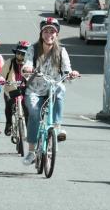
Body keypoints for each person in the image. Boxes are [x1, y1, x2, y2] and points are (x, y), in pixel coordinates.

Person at [22, 17, 80, 165]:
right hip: (34, 90)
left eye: (52, 31)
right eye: (46, 31)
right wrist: (27, 69)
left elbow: (67, 70)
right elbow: (27, 63)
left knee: (61, 87)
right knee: (34, 114)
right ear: (41, 33)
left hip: (52, 88)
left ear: (57, 34)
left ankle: (57, 127)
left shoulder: (61, 51)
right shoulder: (33, 49)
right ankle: (31, 152)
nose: (49, 34)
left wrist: (71, 73)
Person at [2, 40, 30, 136]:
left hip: (25, 90)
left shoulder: (29, 64)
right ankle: (8, 123)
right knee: (9, 105)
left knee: (28, 109)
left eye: (23, 54)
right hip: (11, 89)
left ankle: (29, 129)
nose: (20, 56)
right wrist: (0, 79)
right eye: (18, 53)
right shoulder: (9, 62)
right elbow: (2, 75)